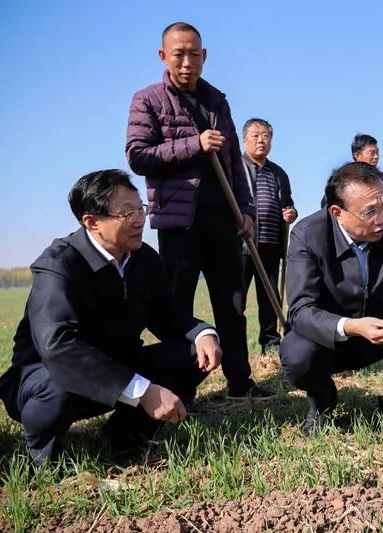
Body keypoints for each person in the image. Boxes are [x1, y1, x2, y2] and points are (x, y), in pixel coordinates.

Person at [0, 170, 223, 466]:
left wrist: (204, 333)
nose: (139, 220)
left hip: (118, 366)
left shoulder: (144, 259)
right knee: (59, 383)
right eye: (127, 213)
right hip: (44, 378)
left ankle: (125, 437)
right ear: (92, 222)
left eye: (140, 209)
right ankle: (46, 459)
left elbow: (166, 318)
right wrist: (142, 391)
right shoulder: (59, 264)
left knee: (193, 353)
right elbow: (59, 348)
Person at [126, 22, 273, 401]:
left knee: (233, 305)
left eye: (194, 54)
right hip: (179, 223)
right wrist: (195, 144)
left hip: (222, 220)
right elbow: (138, 156)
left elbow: (233, 161)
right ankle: (181, 389)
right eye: (179, 54)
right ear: (163, 56)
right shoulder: (148, 100)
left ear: (204, 56)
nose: (187, 62)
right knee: (178, 305)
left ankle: (240, 383)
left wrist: (246, 210)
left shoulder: (216, 101)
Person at [280, 162, 383, 436]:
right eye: (370, 211)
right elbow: (301, 311)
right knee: (297, 353)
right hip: (327, 340)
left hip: (379, 331)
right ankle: (322, 403)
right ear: (337, 213)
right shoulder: (308, 234)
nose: (381, 219)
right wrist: (352, 326)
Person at [240, 117, 298, 355]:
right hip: (242, 245)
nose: (261, 141)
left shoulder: (279, 173)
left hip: (271, 244)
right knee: (236, 298)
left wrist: (291, 213)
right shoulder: (236, 168)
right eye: (255, 136)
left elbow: (288, 203)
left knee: (270, 298)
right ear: (245, 139)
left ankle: (271, 343)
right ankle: (235, 346)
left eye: (266, 136)